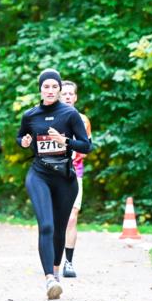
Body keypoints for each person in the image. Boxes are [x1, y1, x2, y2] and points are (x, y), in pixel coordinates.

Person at [17, 69, 92, 300]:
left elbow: (87, 146)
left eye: (54, 87)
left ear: (60, 90)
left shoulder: (70, 114)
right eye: (46, 87)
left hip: (65, 178)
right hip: (39, 174)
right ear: (40, 89)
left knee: (60, 229)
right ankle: (49, 278)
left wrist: (65, 141)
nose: (50, 91)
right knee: (46, 226)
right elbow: (20, 137)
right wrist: (24, 141)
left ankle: (56, 275)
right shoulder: (30, 115)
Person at [60, 81, 91, 277]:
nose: (68, 96)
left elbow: (87, 148)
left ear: (76, 97)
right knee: (55, 221)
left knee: (71, 218)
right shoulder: (48, 117)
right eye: (65, 94)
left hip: (74, 172)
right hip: (51, 173)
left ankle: (68, 263)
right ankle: (52, 260)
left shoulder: (83, 119)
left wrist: (71, 147)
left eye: (72, 93)